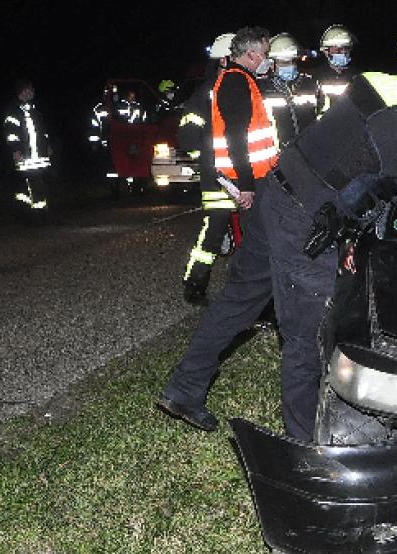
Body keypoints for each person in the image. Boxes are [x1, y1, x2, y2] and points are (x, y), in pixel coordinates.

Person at [158, 43, 397, 441]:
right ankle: (307, 444)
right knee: (307, 337)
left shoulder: (370, 83)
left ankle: (184, 388)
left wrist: (347, 235)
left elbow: (352, 164)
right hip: (302, 222)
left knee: (238, 300)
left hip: (274, 195)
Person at [156, 26, 278, 430]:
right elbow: (231, 139)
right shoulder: (230, 85)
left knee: (248, 283)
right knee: (231, 268)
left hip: (248, 186)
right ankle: (198, 287)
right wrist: (241, 182)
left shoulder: (230, 83)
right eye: (267, 53)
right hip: (239, 186)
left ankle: (187, 386)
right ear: (253, 54)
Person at [178, 32, 239, 306]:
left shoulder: (243, 87)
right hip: (218, 180)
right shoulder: (208, 92)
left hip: (245, 175)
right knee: (213, 233)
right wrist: (208, 164)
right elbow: (188, 135)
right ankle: (195, 284)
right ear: (224, 59)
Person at [3, 78, 55, 224]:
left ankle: (40, 216)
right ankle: (33, 217)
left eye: (32, 90)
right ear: (23, 91)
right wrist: (15, 150)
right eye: (30, 90)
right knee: (29, 188)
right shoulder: (14, 112)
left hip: (39, 157)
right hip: (25, 158)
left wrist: (47, 146)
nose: (32, 92)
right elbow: (11, 134)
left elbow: (42, 132)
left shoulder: (34, 111)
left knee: (39, 186)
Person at [260, 32, 319, 148]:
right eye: (284, 62)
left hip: (308, 151)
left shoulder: (310, 84)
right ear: (271, 64)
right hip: (276, 156)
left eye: (293, 61)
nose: (291, 66)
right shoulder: (262, 88)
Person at [312, 24, 359, 116]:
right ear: (326, 52)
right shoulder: (316, 76)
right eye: (337, 50)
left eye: (345, 48)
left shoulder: (357, 75)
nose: (343, 52)